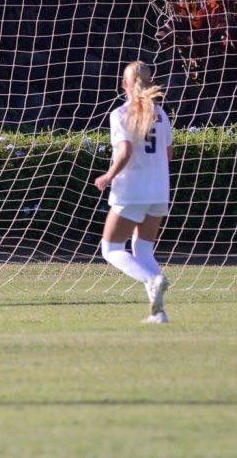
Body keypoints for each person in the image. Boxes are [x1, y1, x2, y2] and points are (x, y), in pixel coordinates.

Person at [94, 61, 173, 323]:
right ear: (149, 83)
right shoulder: (161, 114)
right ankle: (158, 313)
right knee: (143, 249)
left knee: (111, 248)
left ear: (124, 84)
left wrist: (108, 175)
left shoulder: (120, 114)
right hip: (159, 190)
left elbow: (125, 151)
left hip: (131, 191)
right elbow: (168, 154)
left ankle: (153, 279)